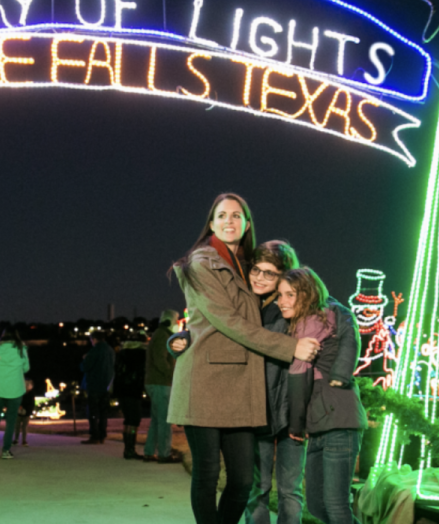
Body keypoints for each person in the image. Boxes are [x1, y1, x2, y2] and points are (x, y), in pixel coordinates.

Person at [167, 193, 319, 524]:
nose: (229, 221)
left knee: (241, 480)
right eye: (222, 215)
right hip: (205, 381)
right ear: (211, 224)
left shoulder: (246, 265)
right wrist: (289, 347)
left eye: (236, 215)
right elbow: (227, 320)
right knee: (208, 474)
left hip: (239, 386)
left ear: (247, 224)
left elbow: (285, 290)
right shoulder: (202, 263)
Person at [283, 268, 366, 524]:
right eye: (280, 295)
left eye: (289, 294)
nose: (281, 301)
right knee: (317, 505)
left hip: (339, 421)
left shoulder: (315, 323)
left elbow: (299, 379)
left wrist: (295, 425)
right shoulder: (317, 319)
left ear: (306, 294)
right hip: (319, 425)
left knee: (336, 505)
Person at [0, 324, 30, 459]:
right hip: (15, 388)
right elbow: (26, 368)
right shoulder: (21, 349)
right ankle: (6, 450)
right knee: (11, 421)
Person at [143, 310, 178, 463]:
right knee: (164, 421)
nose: (177, 324)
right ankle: (164, 453)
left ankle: (149, 452)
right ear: (169, 321)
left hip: (156, 382)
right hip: (160, 383)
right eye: (176, 320)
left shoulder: (160, 334)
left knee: (157, 420)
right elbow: (160, 360)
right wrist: (172, 374)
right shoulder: (163, 336)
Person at [79, 330, 115, 444]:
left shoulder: (95, 350)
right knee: (103, 412)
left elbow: (85, 367)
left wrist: (85, 359)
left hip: (94, 384)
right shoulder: (110, 350)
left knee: (93, 411)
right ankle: (102, 435)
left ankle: (95, 435)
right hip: (107, 385)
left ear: (94, 339)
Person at [114, 339, 148, 460]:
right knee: (134, 420)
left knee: (128, 420)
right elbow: (141, 373)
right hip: (134, 390)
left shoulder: (121, 355)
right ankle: (130, 448)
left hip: (122, 390)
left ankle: (128, 448)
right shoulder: (140, 355)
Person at [17, 377, 36, 446]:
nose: (27, 385)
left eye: (29, 383)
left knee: (24, 427)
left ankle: (24, 440)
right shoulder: (20, 391)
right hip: (19, 411)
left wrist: (29, 411)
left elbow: (32, 403)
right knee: (17, 426)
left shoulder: (31, 393)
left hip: (27, 412)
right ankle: (16, 440)